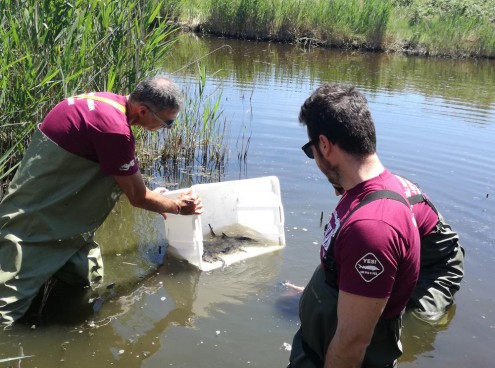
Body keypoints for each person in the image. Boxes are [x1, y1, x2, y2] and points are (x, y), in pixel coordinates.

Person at [0, 75, 203, 327]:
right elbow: (137, 197)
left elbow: (127, 176)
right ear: (142, 110)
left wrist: (160, 198)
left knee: (84, 277)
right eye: (167, 122)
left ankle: (54, 304)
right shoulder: (115, 131)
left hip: (62, 214)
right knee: (5, 309)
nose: (167, 128)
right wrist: (177, 207)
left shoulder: (105, 102)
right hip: (36, 221)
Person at [288, 84, 421, 368]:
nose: (315, 160)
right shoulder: (370, 190)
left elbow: (351, 343)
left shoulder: (373, 228)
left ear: (325, 145)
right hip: (314, 348)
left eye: (312, 151)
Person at [330, 176, 465, 322]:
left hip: (436, 265)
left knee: (416, 321)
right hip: (405, 256)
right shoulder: (369, 183)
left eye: (338, 187)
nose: (337, 194)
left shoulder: (379, 216)